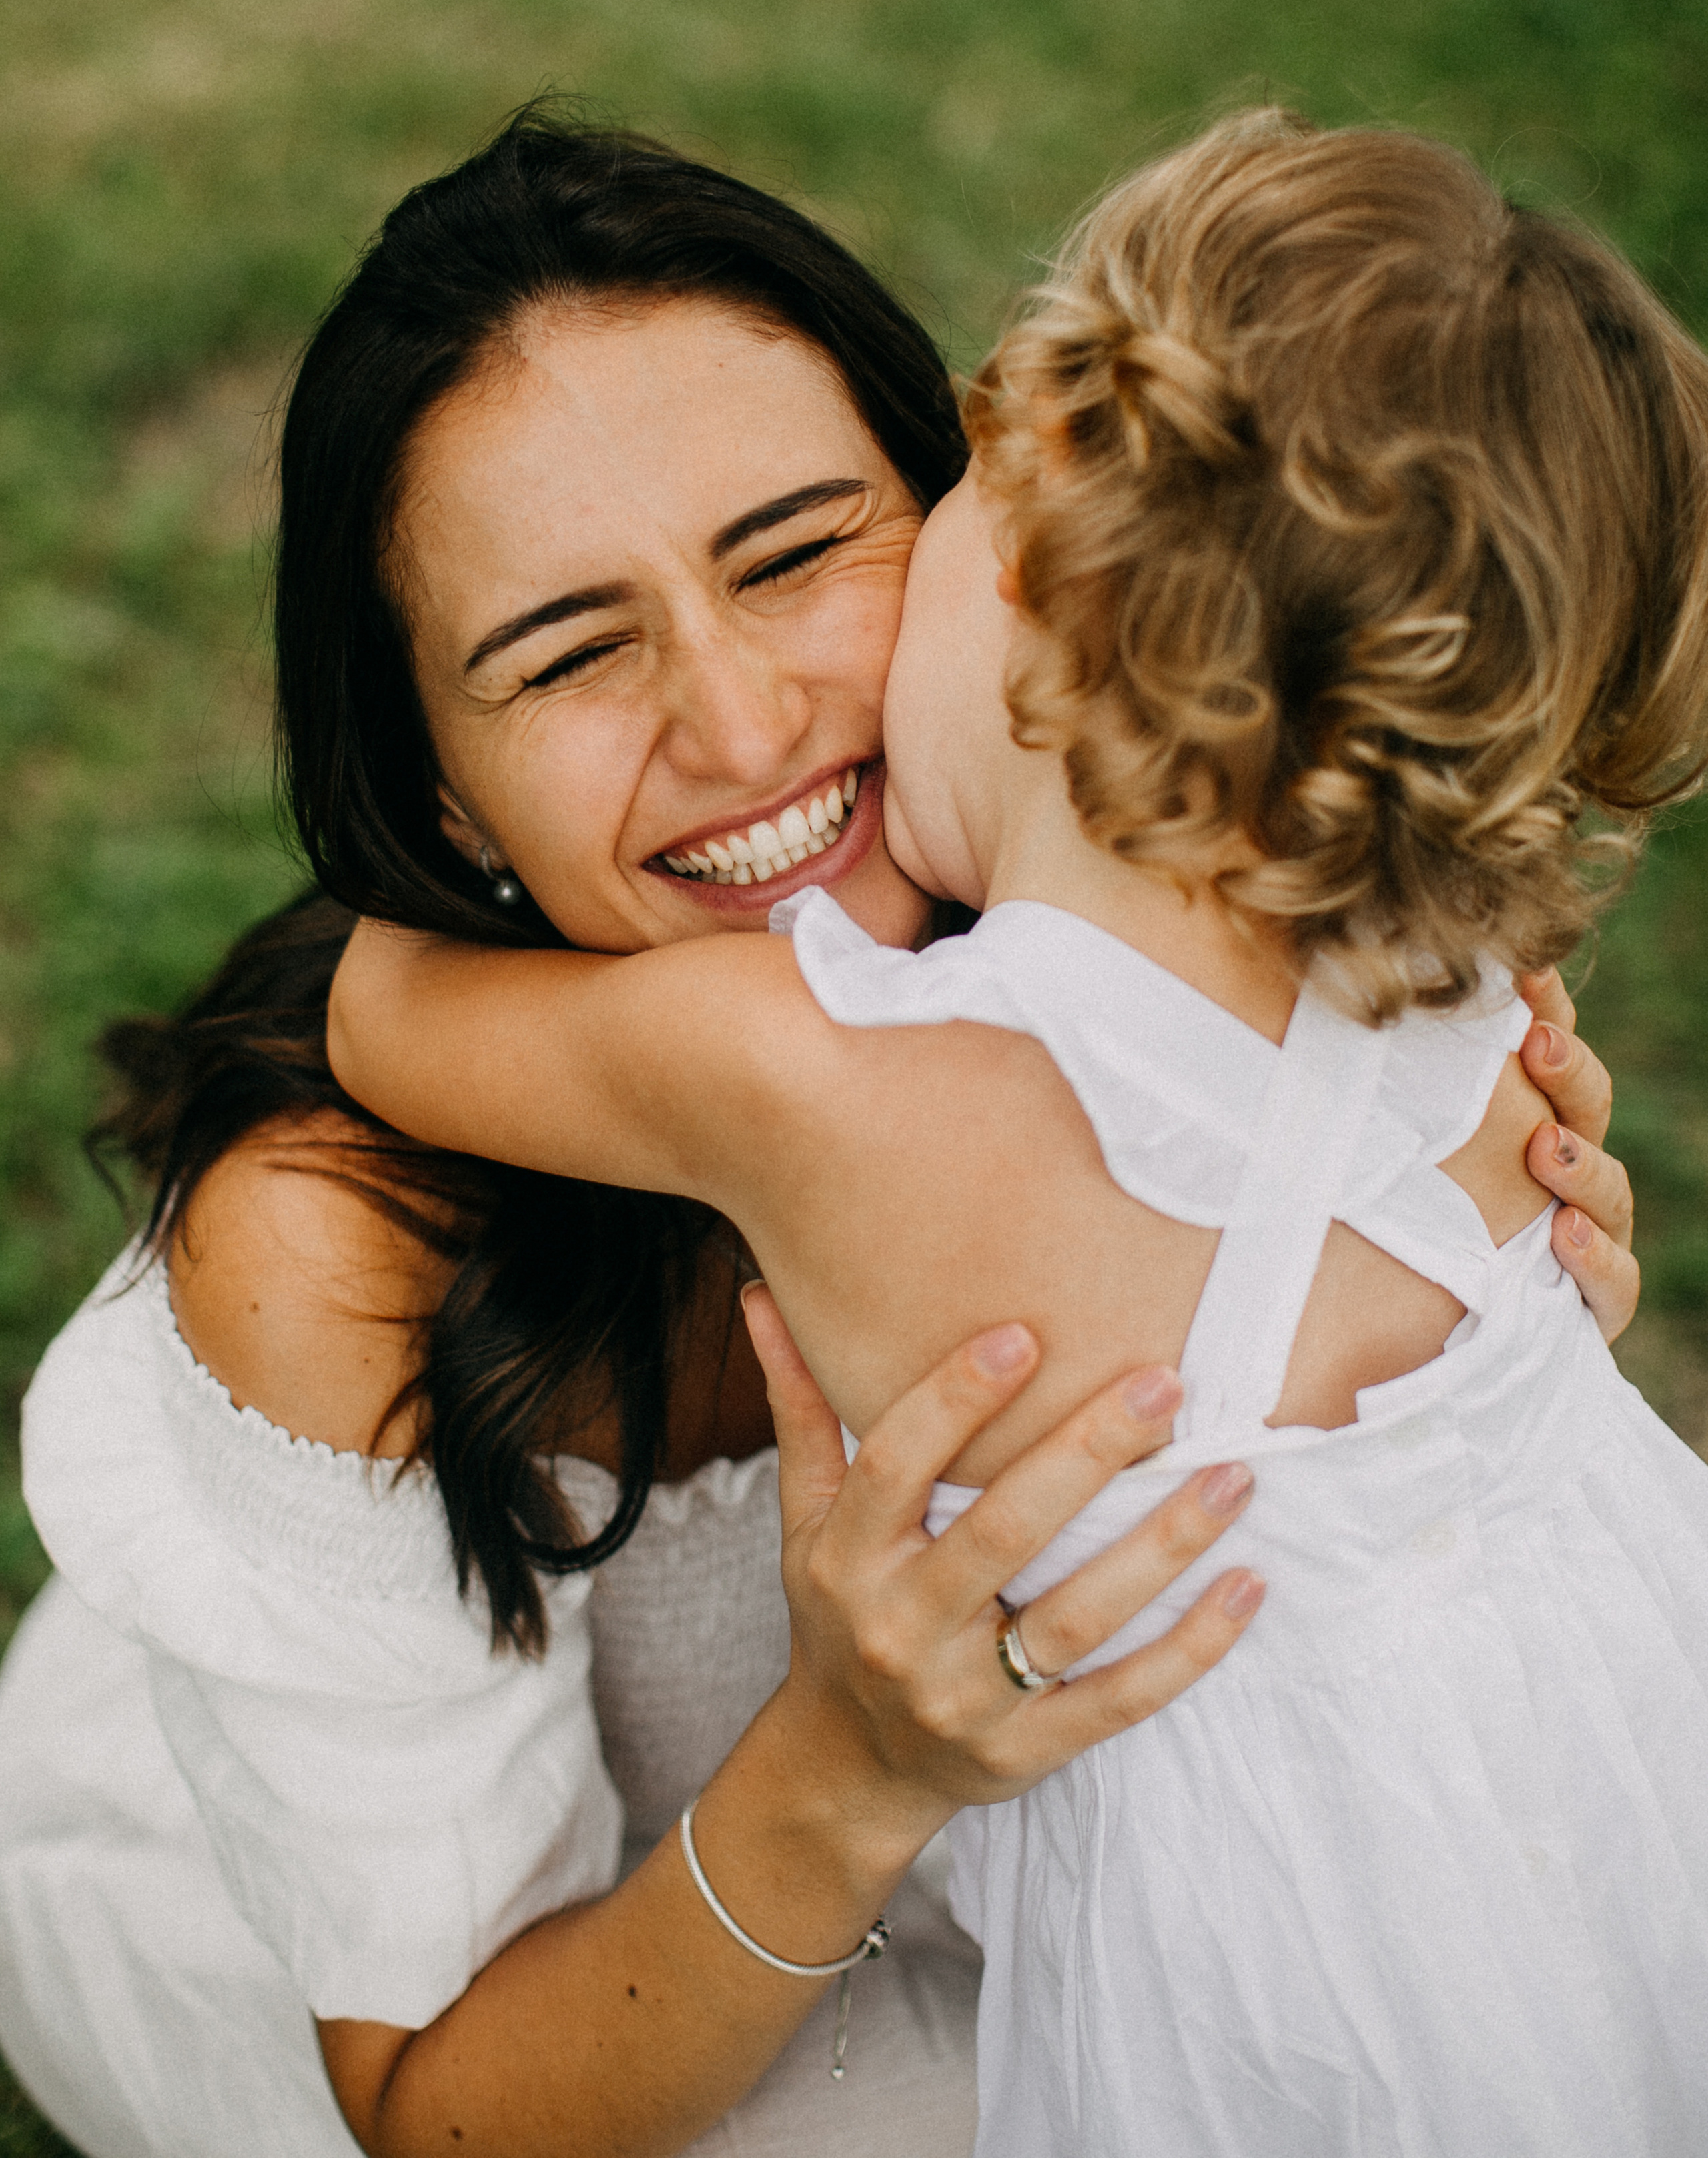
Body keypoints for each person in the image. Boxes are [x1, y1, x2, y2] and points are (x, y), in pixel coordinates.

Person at [0, 113, 1399, 2158]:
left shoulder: (1159, 870)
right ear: (448, 796)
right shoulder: (332, 1244)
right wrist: (846, 1759)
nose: (747, 730)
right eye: (570, 652)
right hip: (515, 2003)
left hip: (987, 1860)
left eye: (796, 550)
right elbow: (436, 2109)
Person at [326, 109, 1702, 2158]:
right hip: (1625, 1793)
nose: (756, 724)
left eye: (859, 529)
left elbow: (386, 1009)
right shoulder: (1470, 1005)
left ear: (1045, 537)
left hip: (1271, 1977)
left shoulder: (816, 1075)